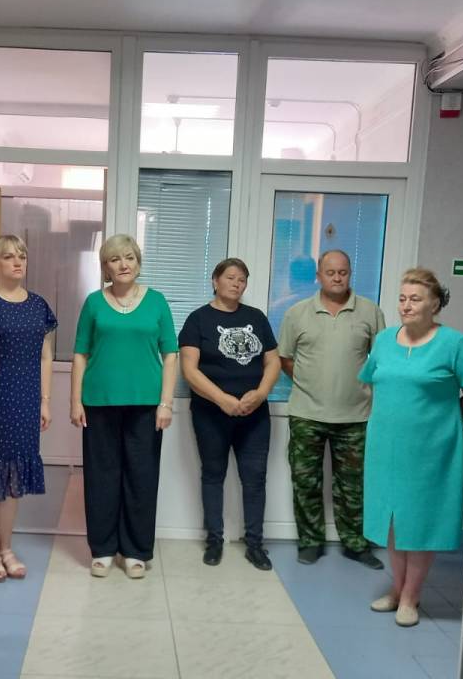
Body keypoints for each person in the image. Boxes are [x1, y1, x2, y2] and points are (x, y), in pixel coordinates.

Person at [361, 267, 463, 627]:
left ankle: (411, 596)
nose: (406, 305)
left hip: (431, 450)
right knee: (393, 520)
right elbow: (372, 384)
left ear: (435, 304)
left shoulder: (457, 344)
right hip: (385, 447)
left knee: (421, 521)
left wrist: (437, 428)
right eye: (402, 298)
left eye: (415, 299)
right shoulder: (384, 340)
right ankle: (397, 589)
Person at [71, 234, 178, 578]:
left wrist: (166, 403)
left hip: (146, 405)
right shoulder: (93, 303)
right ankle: (102, 549)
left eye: (129, 257)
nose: (123, 264)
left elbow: (171, 355)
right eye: (115, 259)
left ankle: (135, 551)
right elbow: (80, 354)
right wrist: (75, 400)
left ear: (138, 263)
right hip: (98, 402)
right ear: (105, 267)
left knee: (141, 477)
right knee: (101, 477)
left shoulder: (157, 302)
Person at [279, 249, 386, 568]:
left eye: (343, 272)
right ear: (318, 276)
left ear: (350, 273)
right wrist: (311, 382)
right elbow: (285, 359)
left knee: (353, 486)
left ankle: (356, 544)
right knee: (306, 483)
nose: (337, 278)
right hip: (307, 414)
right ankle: (310, 542)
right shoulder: (297, 313)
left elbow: (381, 361)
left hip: (356, 416)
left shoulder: (370, 312)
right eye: (330, 272)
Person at [0, 235, 57, 580]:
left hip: (26, 400)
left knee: (14, 473)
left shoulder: (38, 305)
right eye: (8, 256)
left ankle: (6, 547)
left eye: (22, 256)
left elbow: (45, 356)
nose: (17, 262)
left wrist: (45, 401)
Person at [179, 258, 280, 570]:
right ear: (215, 281)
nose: (237, 284)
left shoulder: (256, 318)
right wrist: (222, 399)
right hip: (211, 413)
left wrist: (261, 393)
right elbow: (189, 370)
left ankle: (255, 545)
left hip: (254, 414)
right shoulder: (198, 319)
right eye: (231, 277)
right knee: (213, 475)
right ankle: (214, 541)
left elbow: (273, 361)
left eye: (242, 279)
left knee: (255, 478)